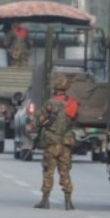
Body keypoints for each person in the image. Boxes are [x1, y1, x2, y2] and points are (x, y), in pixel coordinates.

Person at [33, 74, 79, 210]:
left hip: (52, 143)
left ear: (55, 88)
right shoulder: (72, 104)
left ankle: (45, 201)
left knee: (48, 170)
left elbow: (39, 121)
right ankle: (68, 202)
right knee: (65, 171)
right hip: (65, 143)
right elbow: (75, 120)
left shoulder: (50, 103)